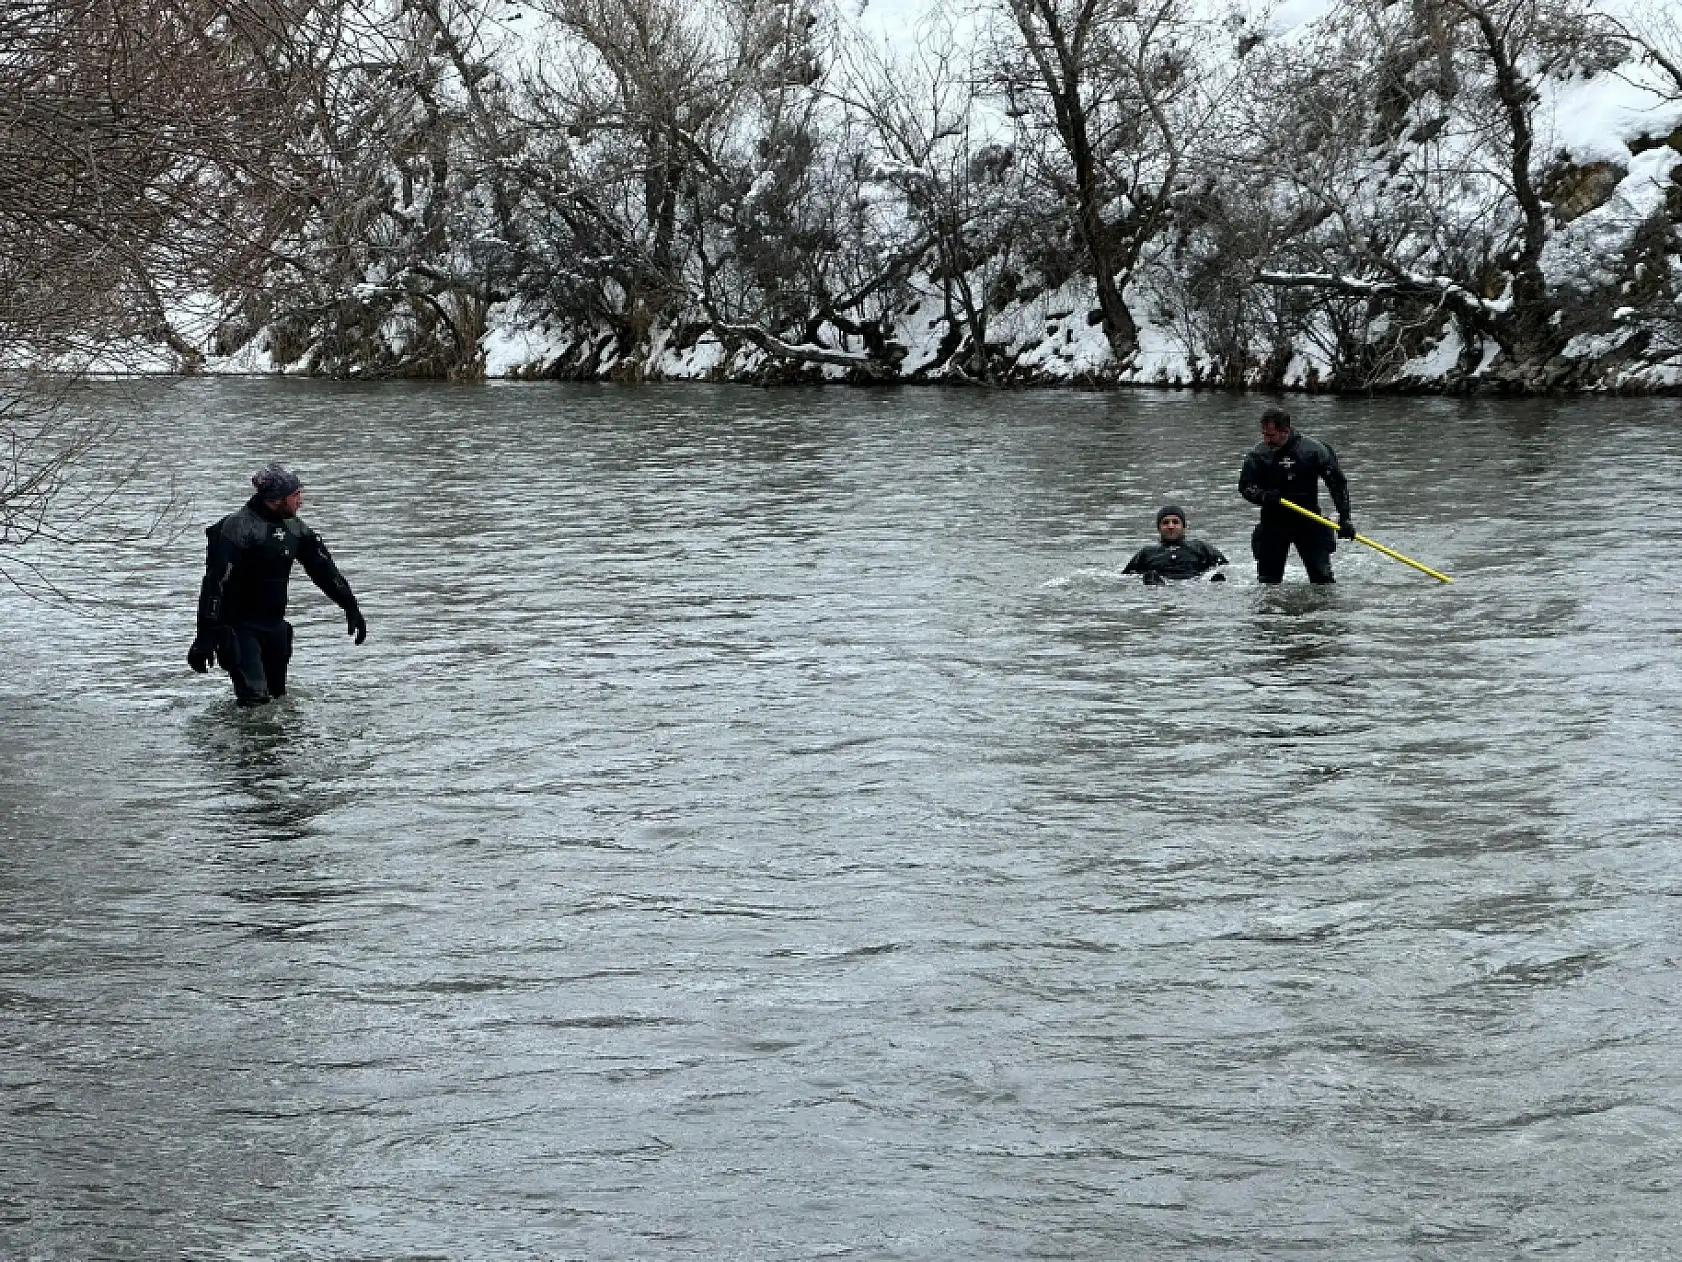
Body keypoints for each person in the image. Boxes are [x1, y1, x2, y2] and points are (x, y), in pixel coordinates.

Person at [187, 462, 367, 706]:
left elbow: (324, 571)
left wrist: (350, 606)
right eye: (295, 495)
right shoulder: (237, 528)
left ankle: (277, 745)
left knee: (277, 700)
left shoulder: (296, 529)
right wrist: (205, 637)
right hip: (239, 630)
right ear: (276, 499)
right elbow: (213, 584)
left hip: (275, 629)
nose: (301, 501)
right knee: (255, 701)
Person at [1238, 408, 1355, 585]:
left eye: (1271, 435)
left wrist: (1345, 518)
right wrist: (1262, 496)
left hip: (1309, 520)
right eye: (1264, 435)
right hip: (1273, 523)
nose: (1266, 440)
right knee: (1268, 582)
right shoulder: (1258, 455)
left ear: (1285, 431)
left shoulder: (1314, 450)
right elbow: (1245, 486)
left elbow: (1337, 485)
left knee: (1322, 580)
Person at [1122, 504, 1228, 585]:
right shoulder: (1147, 552)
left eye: (1175, 522)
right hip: (1161, 584)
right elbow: (1126, 576)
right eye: (1166, 522)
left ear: (1184, 527)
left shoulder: (1200, 547)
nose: (1171, 526)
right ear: (1159, 528)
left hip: (1194, 584)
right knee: (1151, 578)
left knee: (1217, 577)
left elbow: (1226, 566)